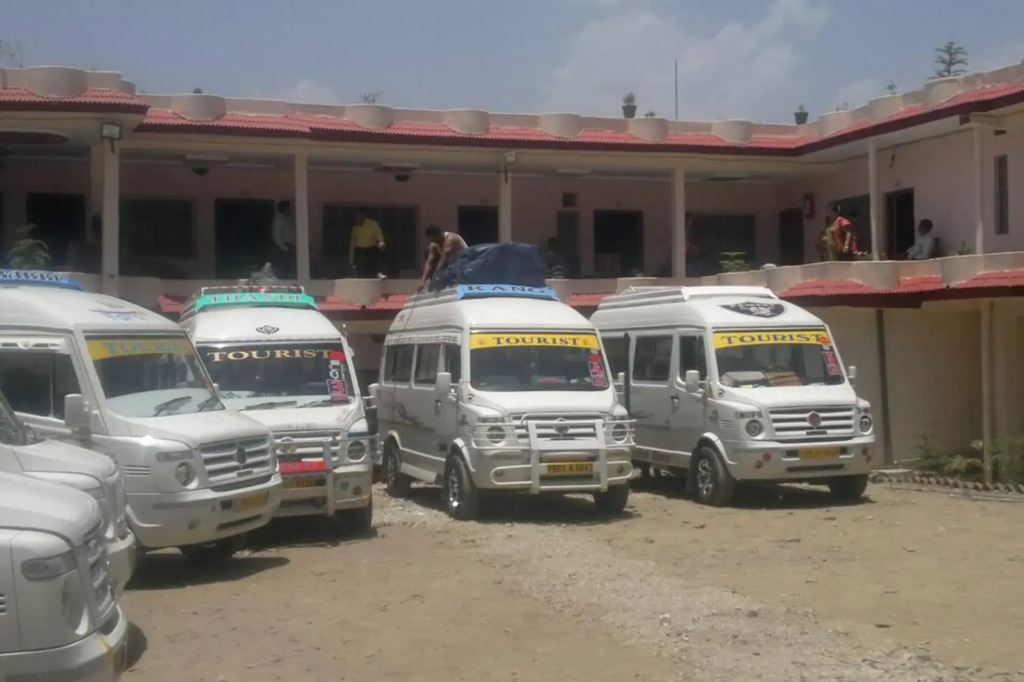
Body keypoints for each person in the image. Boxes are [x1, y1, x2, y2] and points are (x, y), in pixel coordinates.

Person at [418, 225, 467, 292]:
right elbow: (429, 262)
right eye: (432, 240)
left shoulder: (450, 239)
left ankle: (450, 282)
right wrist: (422, 281)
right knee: (428, 251)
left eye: (436, 239)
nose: (434, 241)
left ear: (440, 233)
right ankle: (434, 284)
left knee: (444, 262)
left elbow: (444, 258)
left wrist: (436, 275)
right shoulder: (434, 244)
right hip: (449, 264)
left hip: (464, 262)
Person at [348, 208, 386, 278]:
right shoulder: (355, 228)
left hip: (371, 249)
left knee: (374, 264)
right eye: (355, 216)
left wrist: (381, 242)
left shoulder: (373, 224)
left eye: (358, 215)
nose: (356, 218)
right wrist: (351, 261)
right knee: (360, 270)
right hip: (360, 250)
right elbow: (352, 245)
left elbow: (378, 234)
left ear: (363, 215)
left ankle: (378, 273)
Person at [270, 200, 296, 278]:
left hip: (287, 247)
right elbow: (276, 235)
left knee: (288, 267)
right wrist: (286, 248)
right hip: (283, 247)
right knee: (284, 268)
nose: (290, 209)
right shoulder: (279, 218)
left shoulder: (285, 217)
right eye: (288, 207)